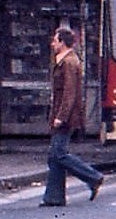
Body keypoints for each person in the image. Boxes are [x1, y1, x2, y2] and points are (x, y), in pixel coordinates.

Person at [42, 28, 104, 207]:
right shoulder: (64, 61)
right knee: (54, 156)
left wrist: (61, 116)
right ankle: (54, 197)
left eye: (55, 41)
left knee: (59, 153)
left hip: (66, 116)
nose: (52, 44)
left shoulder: (69, 62)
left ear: (62, 42)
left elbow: (69, 93)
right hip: (63, 114)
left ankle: (93, 177)